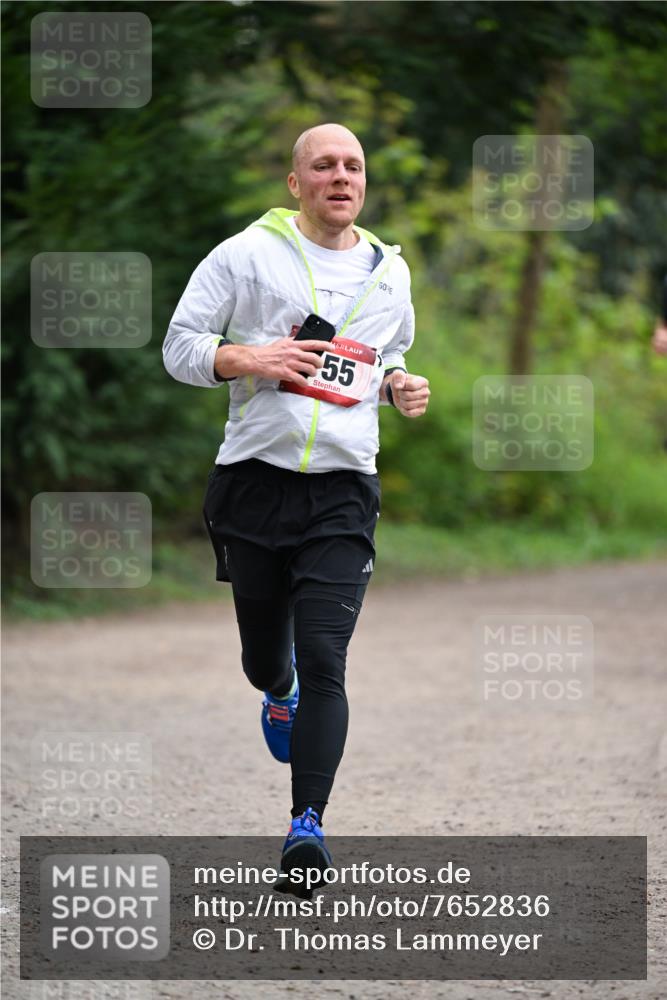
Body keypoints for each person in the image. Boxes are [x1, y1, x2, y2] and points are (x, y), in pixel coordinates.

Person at [163, 123, 430, 895]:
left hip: (343, 490)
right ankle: (275, 694)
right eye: (323, 165)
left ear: (364, 182)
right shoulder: (244, 255)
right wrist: (248, 357)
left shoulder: (389, 273)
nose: (340, 177)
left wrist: (399, 385)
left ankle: (305, 828)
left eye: (352, 166)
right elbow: (180, 346)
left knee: (324, 658)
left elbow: (385, 356)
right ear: (295, 183)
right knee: (265, 662)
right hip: (253, 482)